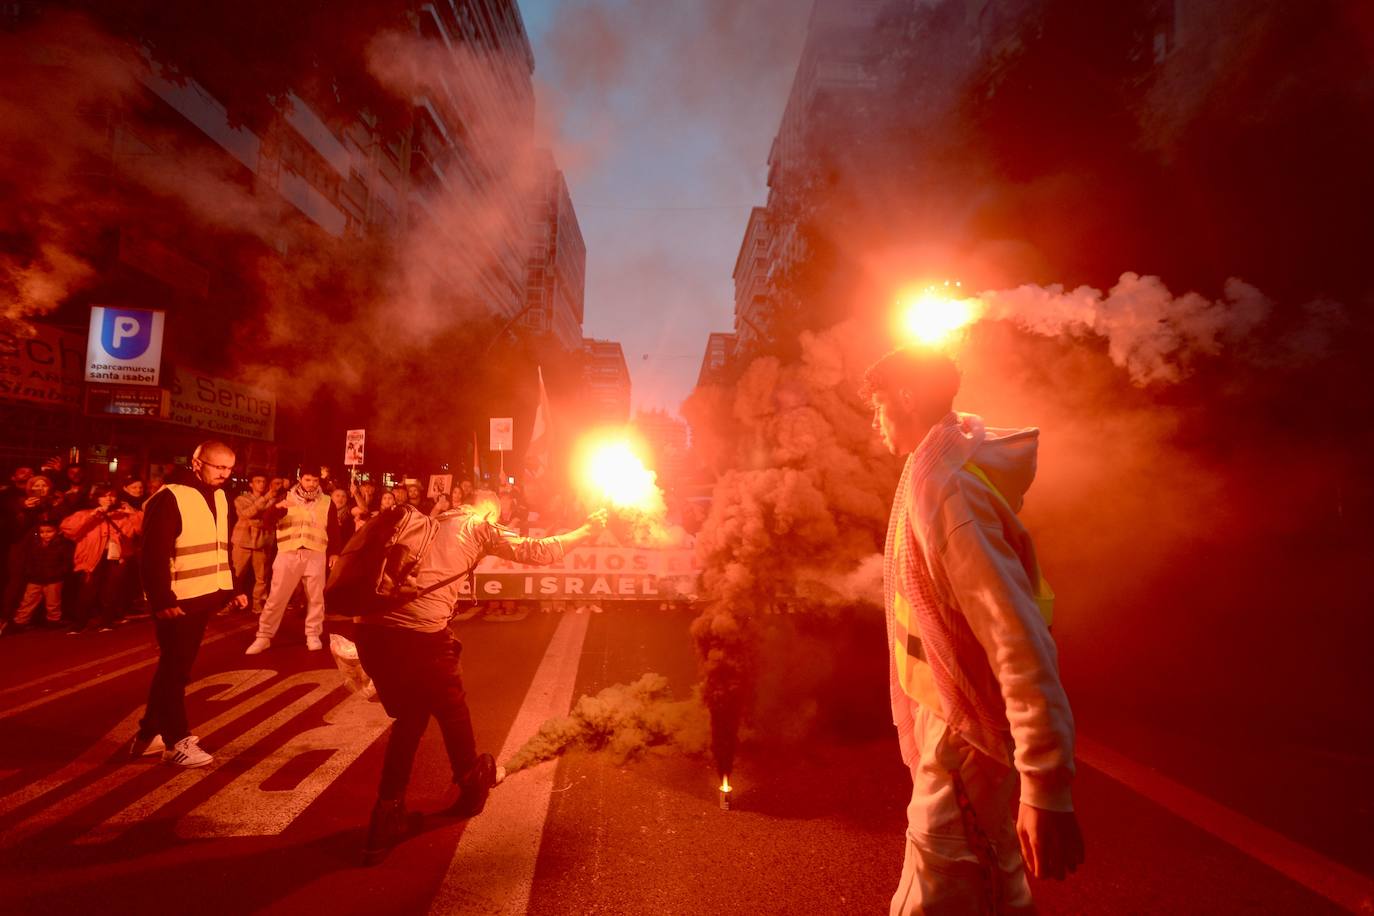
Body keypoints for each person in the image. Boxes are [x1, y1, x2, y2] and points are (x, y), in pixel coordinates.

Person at [862, 347, 1083, 914]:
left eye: (879, 405)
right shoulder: (935, 470)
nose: (874, 421)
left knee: (947, 885)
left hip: (965, 732)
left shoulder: (949, 492)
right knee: (983, 884)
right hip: (956, 714)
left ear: (907, 398)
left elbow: (1017, 639)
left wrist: (1045, 786)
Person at [353, 491, 607, 865]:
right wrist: (586, 530)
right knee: (452, 709)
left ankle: (385, 817)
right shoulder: (477, 525)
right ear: (490, 507)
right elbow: (537, 551)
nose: (504, 519)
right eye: (503, 513)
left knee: (410, 719)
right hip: (421, 637)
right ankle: (472, 784)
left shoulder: (431, 519)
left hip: (371, 632)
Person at [131, 440, 248, 767]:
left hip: (203, 595)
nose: (225, 474)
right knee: (175, 670)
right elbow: (152, 554)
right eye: (218, 467)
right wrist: (161, 598)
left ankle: (146, 735)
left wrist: (233, 586)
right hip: (177, 599)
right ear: (197, 463)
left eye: (229, 468)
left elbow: (220, 547)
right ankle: (175, 740)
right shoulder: (169, 497)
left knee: (175, 668)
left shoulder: (222, 496)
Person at [246, 468, 338, 654]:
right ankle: (264, 636)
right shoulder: (284, 497)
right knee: (276, 597)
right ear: (300, 479)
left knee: (315, 598)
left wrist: (335, 552)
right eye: (307, 479)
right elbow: (267, 522)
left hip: (315, 554)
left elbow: (334, 529)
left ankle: (313, 634)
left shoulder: (327, 501)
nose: (311, 483)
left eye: (314, 480)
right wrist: (277, 510)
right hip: (288, 553)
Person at [61, 484, 142, 634]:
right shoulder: (85, 513)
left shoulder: (123, 514)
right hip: (91, 557)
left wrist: (133, 513)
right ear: (96, 497)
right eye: (104, 495)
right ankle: (80, 622)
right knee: (87, 590)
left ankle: (107, 621)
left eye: (112, 495)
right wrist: (92, 515)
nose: (109, 499)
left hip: (117, 557)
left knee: (111, 590)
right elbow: (68, 529)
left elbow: (141, 529)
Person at [8, 521, 71, 631]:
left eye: (49, 531)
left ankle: (53, 620)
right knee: (28, 600)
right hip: (35, 578)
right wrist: (30, 572)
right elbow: (29, 560)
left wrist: (60, 573)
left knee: (53, 602)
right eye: (42, 532)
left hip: (54, 578)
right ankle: (20, 621)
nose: (45, 534)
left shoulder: (62, 545)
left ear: (57, 531)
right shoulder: (35, 544)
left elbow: (66, 562)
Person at [231, 473, 278, 616]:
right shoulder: (241, 499)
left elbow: (269, 518)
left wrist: (257, 518)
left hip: (262, 542)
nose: (261, 484)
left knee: (262, 577)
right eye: (257, 481)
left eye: (264, 481)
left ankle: (258, 604)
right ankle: (231, 602)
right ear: (251, 484)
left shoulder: (273, 500)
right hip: (243, 541)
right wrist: (264, 502)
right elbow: (246, 514)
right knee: (237, 574)